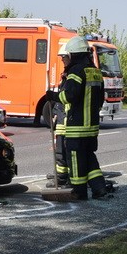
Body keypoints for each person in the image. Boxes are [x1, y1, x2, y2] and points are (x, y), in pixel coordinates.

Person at [59, 35, 110, 200]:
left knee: (75, 160)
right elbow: (101, 99)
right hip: (92, 127)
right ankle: (99, 189)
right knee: (89, 158)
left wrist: (52, 96)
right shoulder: (96, 72)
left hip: (77, 127)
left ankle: (79, 192)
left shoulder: (76, 71)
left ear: (74, 54)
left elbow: (69, 95)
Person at [46, 42, 71, 189]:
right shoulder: (66, 75)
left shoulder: (71, 77)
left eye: (64, 57)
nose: (62, 59)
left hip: (67, 122)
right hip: (61, 118)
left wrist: (54, 97)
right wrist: (55, 114)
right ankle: (60, 174)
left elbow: (66, 97)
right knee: (60, 150)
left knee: (63, 152)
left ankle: (61, 178)